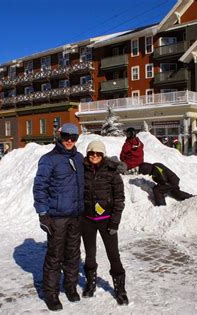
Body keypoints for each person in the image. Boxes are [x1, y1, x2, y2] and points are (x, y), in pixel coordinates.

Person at [33, 123, 84, 311]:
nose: (70, 141)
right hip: (57, 217)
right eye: (66, 137)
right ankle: (51, 294)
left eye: (74, 137)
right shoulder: (49, 160)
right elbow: (40, 187)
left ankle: (70, 288)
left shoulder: (79, 158)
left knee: (73, 254)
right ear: (59, 136)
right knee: (55, 257)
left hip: (76, 216)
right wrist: (43, 214)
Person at [81, 140, 129, 305]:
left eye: (98, 153)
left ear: (103, 154)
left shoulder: (111, 172)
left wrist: (114, 222)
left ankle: (120, 289)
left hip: (107, 221)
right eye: (92, 153)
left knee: (113, 255)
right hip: (87, 220)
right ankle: (90, 284)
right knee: (89, 254)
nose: (95, 156)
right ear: (88, 154)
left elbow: (119, 199)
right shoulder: (82, 170)